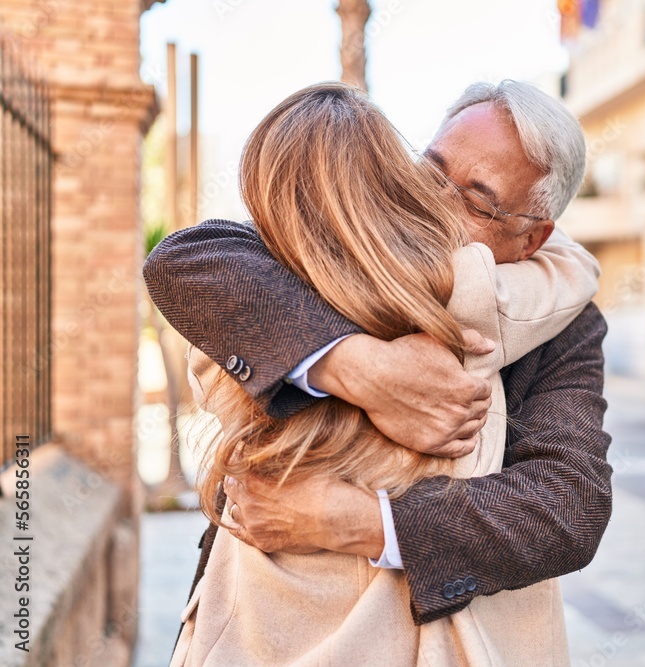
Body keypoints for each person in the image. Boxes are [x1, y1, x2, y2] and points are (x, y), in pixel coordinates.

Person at [143, 79, 613, 628]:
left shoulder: (565, 321)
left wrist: (361, 522)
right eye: (430, 170)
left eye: (476, 199)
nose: (434, 200)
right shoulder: (346, 247)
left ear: (532, 240)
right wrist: (354, 365)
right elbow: (185, 260)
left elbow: (568, 507)